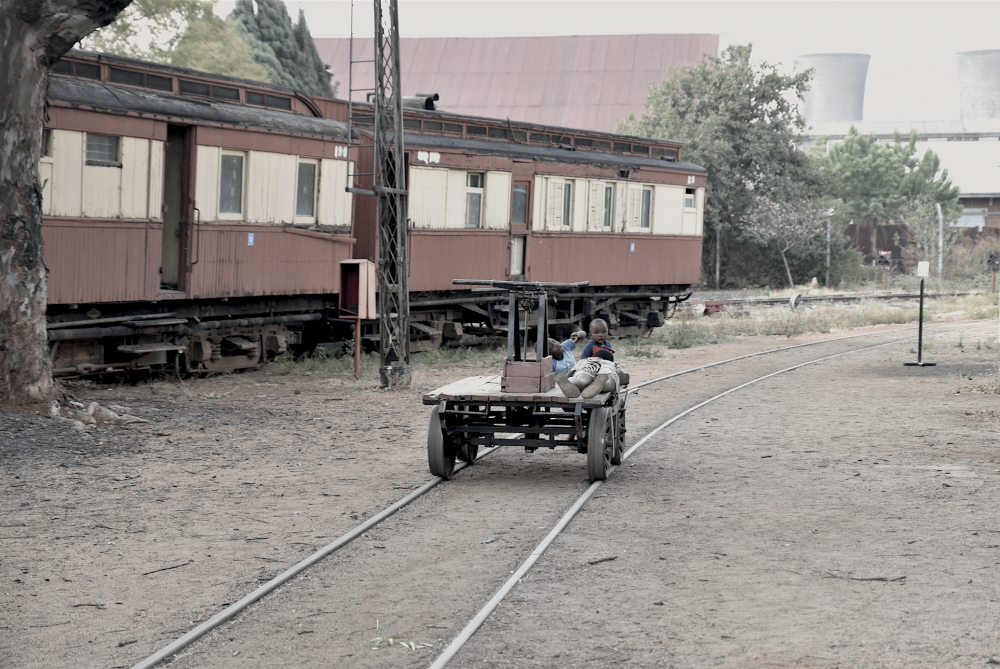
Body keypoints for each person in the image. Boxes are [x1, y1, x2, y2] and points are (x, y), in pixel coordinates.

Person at [555, 348, 621, 399]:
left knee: (581, 379)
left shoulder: (586, 360)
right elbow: (621, 376)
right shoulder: (611, 363)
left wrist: (568, 378)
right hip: (606, 368)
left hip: (588, 367)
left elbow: (572, 372)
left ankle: (572, 382)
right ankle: (603, 384)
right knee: (609, 380)